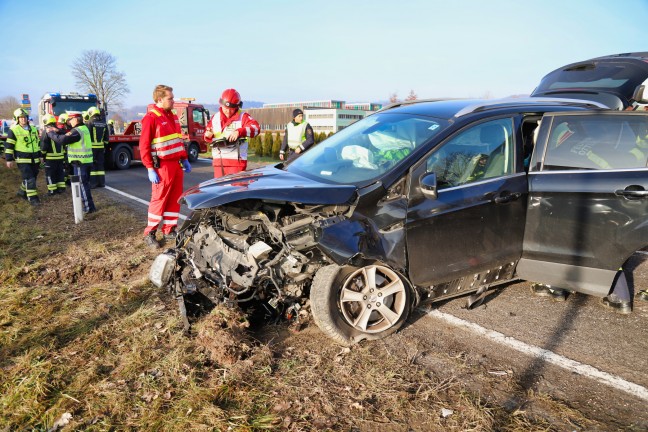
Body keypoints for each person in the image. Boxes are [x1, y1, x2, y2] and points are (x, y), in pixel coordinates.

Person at [139, 84, 191, 249]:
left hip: (176, 164)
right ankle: (150, 233)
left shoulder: (173, 115)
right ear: (160, 99)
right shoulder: (151, 118)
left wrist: (184, 158)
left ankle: (169, 229)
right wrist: (149, 168)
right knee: (159, 200)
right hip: (162, 166)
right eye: (170, 98)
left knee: (174, 199)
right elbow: (144, 145)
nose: (173, 101)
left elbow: (177, 140)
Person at [45, 111, 97, 214]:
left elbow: (62, 140)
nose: (69, 122)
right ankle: (90, 206)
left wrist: (50, 133)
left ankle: (89, 208)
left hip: (80, 162)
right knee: (84, 184)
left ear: (76, 119)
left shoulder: (77, 131)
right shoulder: (83, 128)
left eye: (70, 119)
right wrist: (58, 130)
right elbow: (68, 134)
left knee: (82, 185)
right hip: (85, 161)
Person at [204, 88, 260, 177]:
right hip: (219, 163)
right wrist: (208, 136)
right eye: (226, 108)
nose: (228, 111)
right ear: (221, 104)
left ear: (237, 107)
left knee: (236, 190)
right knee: (219, 190)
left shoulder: (243, 117)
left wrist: (240, 131)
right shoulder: (215, 118)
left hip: (236, 164)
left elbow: (256, 128)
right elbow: (206, 135)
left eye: (231, 109)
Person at [5, 108, 43, 205]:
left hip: (34, 158)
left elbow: (37, 144)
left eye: (24, 117)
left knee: (32, 177)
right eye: (21, 118)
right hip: (22, 159)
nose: (23, 119)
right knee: (30, 179)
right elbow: (9, 145)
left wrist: (40, 156)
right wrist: (9, 159)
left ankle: (22, 192)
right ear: (17, 119)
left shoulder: (33, 128)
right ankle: (33, 198)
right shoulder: (13, 130)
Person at [39, 114, 66, 195]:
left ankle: (52, 191)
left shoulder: (46, 131)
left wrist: (41, 156)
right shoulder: (59, 130)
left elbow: (44, 145)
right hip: (60, 157)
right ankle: (61, 188)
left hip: (50, 158)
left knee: (50, 175)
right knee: (60, 173)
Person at [86, 106, 108, 188]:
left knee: (93, 165)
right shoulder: (104, 123)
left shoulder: (90, 122)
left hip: (92, 148)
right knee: (100, 165)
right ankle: (102, 183)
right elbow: (106, 137)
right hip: (101, 148)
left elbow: (87, 136)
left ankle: (93, 183)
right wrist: (104, 145)